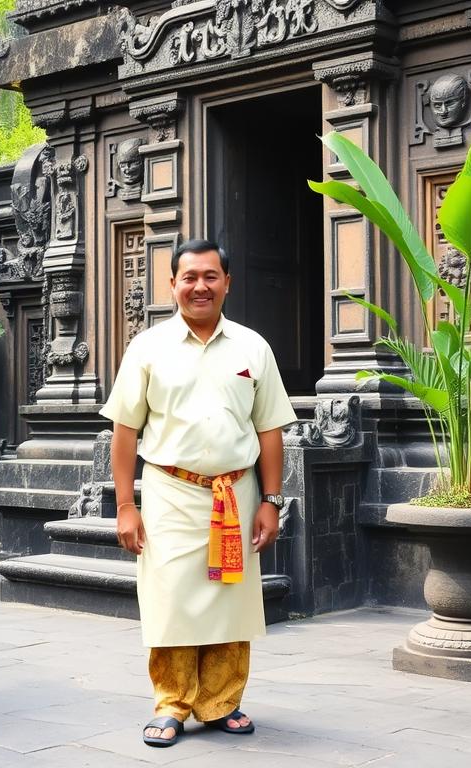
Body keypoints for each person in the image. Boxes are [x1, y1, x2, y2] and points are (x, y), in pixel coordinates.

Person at [99, 239, 296, 748]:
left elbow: (271, 429)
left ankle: (221, 702)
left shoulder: (254, 348)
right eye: (189, 277)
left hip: (237, 492)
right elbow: (125, 432)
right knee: (171, 600)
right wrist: (125, 505)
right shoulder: (147, 347)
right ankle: (171, 702)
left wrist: (271, 501)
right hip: (170, 492)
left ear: (227, 283)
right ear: (172, 285)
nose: (200, 286)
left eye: (211, 276)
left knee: (231, 599)